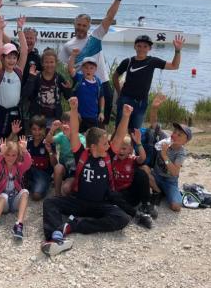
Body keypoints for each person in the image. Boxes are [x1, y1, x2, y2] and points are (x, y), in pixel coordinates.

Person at [40, 97, 131, 257]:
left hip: (100, 205)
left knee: (122, 218)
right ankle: (55, 235)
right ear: (93, 146)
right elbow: (74, 132)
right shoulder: (81, 153)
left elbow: (119, 137)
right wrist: (74, 109)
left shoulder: (107, 155)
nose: (108, 146)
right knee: (49, 202)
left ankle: (74, 225)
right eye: (105, 143)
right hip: (79, 202)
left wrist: (126, 116)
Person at [58, 0, 127, 125]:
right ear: (74, 24)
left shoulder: (96, 37)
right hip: (81, 86)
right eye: (78, 24)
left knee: (102, 122)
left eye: (84, 25)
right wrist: (66, 83)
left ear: (89, 27)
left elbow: (109, 17)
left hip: (102, 83)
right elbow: (65, 68)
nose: (80, 28)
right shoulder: (67, 46)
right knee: (80, 123)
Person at [111, 34, 184, 131]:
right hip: (125, 100)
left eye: (145, 46)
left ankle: (134, 146)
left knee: (136, 132)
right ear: (134, 46)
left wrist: (177, 51)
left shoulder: (152, 61)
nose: (142, 49)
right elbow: (115, 76)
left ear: (150, 48)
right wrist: (119, 93)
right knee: (119, 130)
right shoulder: (128, 61)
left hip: (142, 103)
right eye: (139, 46)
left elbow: (174, 66)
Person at [107, 104, 155, 226]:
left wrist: (139, 143)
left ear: (130, 150)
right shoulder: (112, 158)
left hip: (132, 192)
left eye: (124, 149)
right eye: (119, 148)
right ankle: (128, 211)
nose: (121, 151)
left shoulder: (131, 159)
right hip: (120, 193)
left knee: (141, 173)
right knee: (112, 196)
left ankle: (146, 204)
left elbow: (143, 158)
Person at [0, 136, 32, 241]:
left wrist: (24, 150)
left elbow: (28, 163)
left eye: (13, 155)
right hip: (3, 202)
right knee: (3, 195)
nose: (10, 157)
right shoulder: (0, 167)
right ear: (4, 155)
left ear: (17, 156)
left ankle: (19, 224)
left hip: (14, 200)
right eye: (7, 155)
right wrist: (1, 153)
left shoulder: (19, 167)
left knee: (25, 192)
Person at [0, 14, 28, 140]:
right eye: (8, 57)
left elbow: (25, 50)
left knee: (13, 143)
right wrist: (0, 30)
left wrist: (20, 30)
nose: (11, 60)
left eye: (14, 57)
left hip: (14, 112)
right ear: (2, 58)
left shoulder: (18, 71)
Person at [21, 48, 72, 126]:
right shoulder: (36, 77)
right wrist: (31, 78)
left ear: (56, 63)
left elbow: (69, 97)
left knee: (51, 138)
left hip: (54, 118)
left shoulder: (59, 78)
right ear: (42, 63)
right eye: (46, 62)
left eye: (52, 62)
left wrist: (68, 89)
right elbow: (26, 94)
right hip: (37, 117)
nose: (49, 65)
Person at [149, 121, 193, 212]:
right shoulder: (165, 139)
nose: (175, 135)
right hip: (156, 176)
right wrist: (154, 108)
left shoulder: (181, 153)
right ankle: (158, 191)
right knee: (143, 169)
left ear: (185, 141)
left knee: (176, 207)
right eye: (174, 132)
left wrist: (165, 155)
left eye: (179, 135)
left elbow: (175, 172)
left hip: (170, 181)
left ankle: (166, 191)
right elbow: (154, 125)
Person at [44, 113, 86, 197]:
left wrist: (69, 136)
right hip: (64, 168)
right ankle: (57, 195)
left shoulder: (81, 138)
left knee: (66, 189)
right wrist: (52, 129)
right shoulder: (61, 136)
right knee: (57, 167)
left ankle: (74, 190)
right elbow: (48, 140)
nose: (64, 125)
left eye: (68, 122)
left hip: (75, 172)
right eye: (63, 122)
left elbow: (81, 152)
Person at [67, 53, 105, 133]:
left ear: (95, 69)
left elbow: (101, 97)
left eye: (91, 68)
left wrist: (101, 112)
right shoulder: (79, 79)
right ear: (82, 68)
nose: (88, 70)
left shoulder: (98, 82)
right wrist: (73, 55)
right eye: (86, 67)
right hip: (79, 116)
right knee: (78, 138)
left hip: (93, 117)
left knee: (91, 139)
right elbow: (70, 69)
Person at [22, 115, 56, 201]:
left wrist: (50, 152)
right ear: (30, 129)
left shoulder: (48, 142)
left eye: (40, 129)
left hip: (43, 173)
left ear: (44, 129)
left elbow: (54, 164)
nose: (37, 132)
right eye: (34, 129)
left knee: (36, 196)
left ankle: (41, 184)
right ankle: (30, 183)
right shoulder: (27, 141)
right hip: (29, 171)